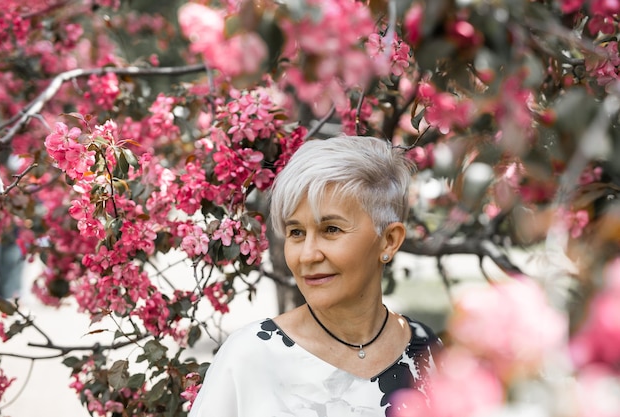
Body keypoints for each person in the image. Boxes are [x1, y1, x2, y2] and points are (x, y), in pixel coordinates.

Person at [188, 136, 441, 417]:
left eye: (331, 229)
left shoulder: (428, 353)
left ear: (389, 241)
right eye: (296, 232)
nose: (308, 255)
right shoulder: (249, 357)